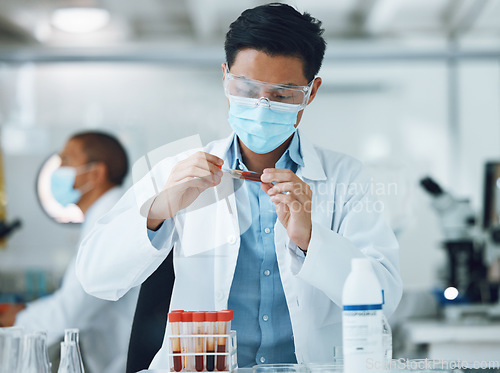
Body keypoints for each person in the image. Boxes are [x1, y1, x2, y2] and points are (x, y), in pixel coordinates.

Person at [76, 3, 402, 369]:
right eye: (246, 88)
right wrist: (158, 210)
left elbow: (383, 296)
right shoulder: (173, 168)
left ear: (310, 93)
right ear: (225, 77)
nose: (261, 106)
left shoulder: (345, 177)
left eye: (282, 95)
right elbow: (95, 277)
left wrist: (311, 239)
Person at [0, 131, 139, 373]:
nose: (57, 169)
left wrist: (19, 320)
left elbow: (71, 311)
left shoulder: (111, 222)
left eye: (66, 160)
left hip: (121, 360)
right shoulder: (104, 217)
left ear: (96, 173)